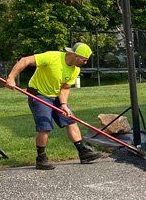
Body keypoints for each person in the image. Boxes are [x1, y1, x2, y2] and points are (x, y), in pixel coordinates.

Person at [5, 42, 101, 170]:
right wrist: (11, 77)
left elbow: (65, 88)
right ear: (76, 55)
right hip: (38, 94)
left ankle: (83, 153)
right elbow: (25, 60)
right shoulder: (52, 57)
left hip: (55, 96)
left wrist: (64, 105)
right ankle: (41, 158)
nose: (85, 63)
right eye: (84, 60)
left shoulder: (75, 69)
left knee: (70, 120)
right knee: (45, 126)